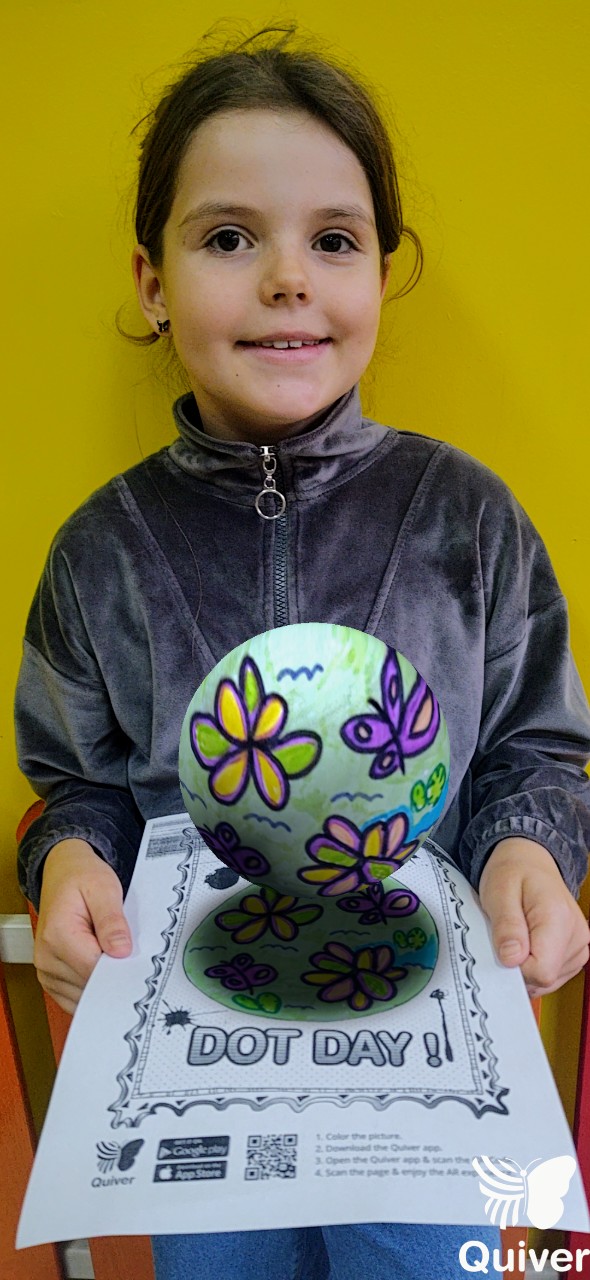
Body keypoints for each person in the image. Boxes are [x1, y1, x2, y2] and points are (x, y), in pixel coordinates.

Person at [14, 25, 590, 1280]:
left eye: (333, 239)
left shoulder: (468, 519)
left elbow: (535, 749)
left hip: (419, 1056)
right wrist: (66, 858)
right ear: (152, 280)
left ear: (382, 270)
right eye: (228, 237)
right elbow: (77, 780)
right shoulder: (100, 549)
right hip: (201, 1053)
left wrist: (527, 847)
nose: (287, 278)